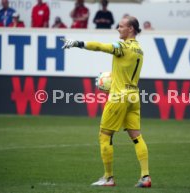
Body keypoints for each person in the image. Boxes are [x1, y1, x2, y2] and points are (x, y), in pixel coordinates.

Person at [61, 16, 151, 187]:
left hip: (119, 96)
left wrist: (77, 43)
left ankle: (108, 178)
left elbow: (101, 47)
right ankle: (145, 177)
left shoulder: (123, 47)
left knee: (105, 135)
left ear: (131, 29)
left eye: (121, 26)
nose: (118, 28)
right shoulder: (139, 49)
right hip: (133, 95)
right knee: (136, 136)